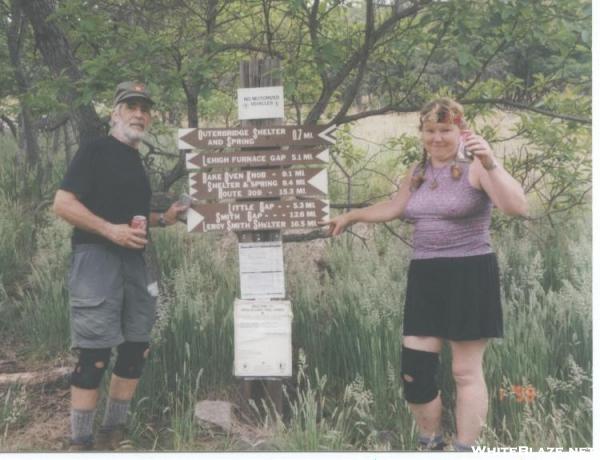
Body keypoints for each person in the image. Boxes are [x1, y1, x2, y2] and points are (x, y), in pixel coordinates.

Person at [324, 98, 527, 451]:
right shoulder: (418, 171)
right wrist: (351, 216)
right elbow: (394, 207)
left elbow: (516, 207)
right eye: (430, 130)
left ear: (460, 131)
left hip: (470, 273)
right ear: (421, 132)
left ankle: (464, 449)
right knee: (414, 372)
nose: (437, 138)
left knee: (465, 372)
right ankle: (430, 443)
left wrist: (491, 161)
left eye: (445, 130)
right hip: (426, 274)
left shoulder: (477, 167)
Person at [53, 81, 188, 450]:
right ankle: (81, 443)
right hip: (95, 260)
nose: (139, 114)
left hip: (133, 262)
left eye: (145, 109)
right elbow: (63, 204)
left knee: (136, 348)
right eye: (131, 107)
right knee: (94, 353)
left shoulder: (134, 159)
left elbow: (132, 218)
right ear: (115, 113)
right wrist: (110, 231)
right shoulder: (95, 150)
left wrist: (164, 219)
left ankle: (113, 433)